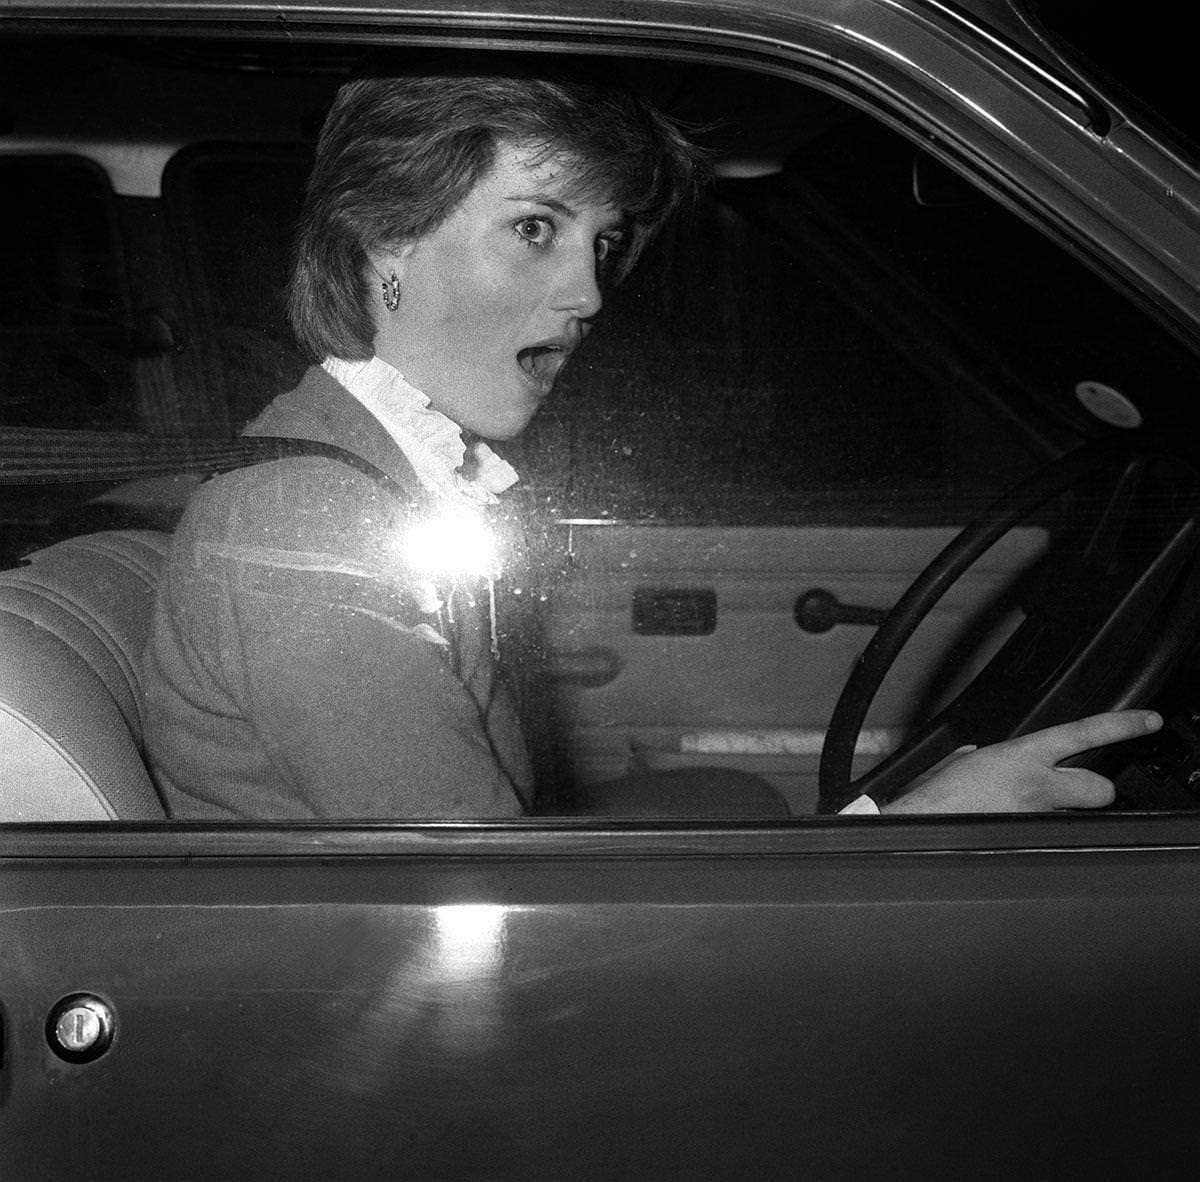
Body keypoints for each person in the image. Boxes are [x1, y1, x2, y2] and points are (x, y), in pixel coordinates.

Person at [142, 68, 1160, 819]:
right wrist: (919, 826)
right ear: (386, 238)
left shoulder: (370, 475)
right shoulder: (306, 526)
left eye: (605, 244)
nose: (588, 295)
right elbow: (500, 933)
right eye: (536, 228)